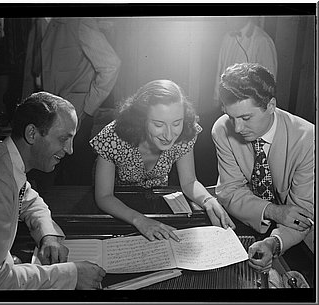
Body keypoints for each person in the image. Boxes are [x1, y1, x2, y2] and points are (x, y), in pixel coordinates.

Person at [0, 91, 106, 290]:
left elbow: (29, 200)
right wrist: (72, 274)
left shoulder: (1, 153)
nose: (70, 150)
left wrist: (48, 235)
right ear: (32, 133)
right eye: (64, 138)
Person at [90, 80, 235, 242]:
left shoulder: (185, 132)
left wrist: (208, 200)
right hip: (118, 207)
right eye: (159, 124)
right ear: (140, 119)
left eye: (176, 123)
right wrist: (140, 221)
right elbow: (104, 196)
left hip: (155, 203)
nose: (169, 135)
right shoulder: (113, 135)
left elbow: (189, 181)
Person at [211, 63, 314, 272]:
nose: (237, 128)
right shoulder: (222, 129)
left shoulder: (309, 139)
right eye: (232, 117)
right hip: (249, 223)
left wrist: (273, 243)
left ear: (271, 106)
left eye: (246, 118)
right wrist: (273, 211)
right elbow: (229, 191)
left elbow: (301, 216)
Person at [22, 17, 121, 189]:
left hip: (76, 118)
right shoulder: (36, 22)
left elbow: (111, 65)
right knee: (44, 181)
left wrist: (87, 107)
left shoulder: (79, 21)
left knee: (76, 181)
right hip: (43, 118)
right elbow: (30, 72)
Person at [213, 17, 277, 107]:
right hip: (226, 101)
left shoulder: (262, 40)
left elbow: (269, 80)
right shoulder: (227, 37)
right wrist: (216, 97)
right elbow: (220, 68)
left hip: (249, 105)